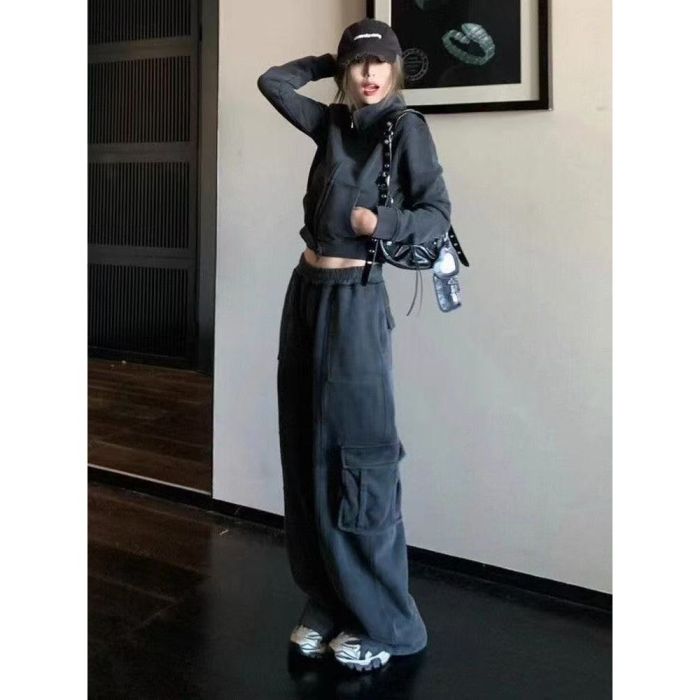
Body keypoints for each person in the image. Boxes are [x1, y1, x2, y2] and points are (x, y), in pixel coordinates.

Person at [257, 17, 451, 673]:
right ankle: (327, 599)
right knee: (303, 445)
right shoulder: (333, 124)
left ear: (396, 70)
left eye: (380, 63)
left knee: (358, 457)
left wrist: (379, 221)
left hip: (356, 299)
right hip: (307, 291)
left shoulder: (406, 129)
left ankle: (386, 622)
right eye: (358, 64)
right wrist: (331, 58)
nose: (369, 75)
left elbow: (436, 216)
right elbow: (273, 83)